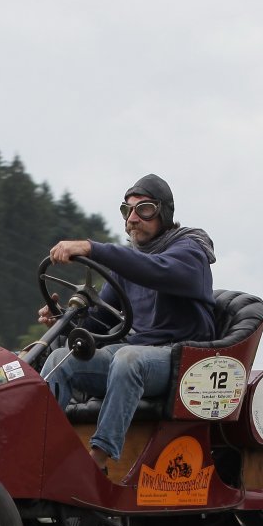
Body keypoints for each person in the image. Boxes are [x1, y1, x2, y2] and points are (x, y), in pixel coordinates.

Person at [37, 174, 217, 472]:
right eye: (127, 210)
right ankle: (39, 454)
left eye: (143, 209)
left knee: (128, 358)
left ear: (164, 213)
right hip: (136, 355)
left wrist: (93, 248)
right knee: (60, 359)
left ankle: (96, 464)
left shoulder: (190, 253)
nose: (133, 219)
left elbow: (155, 270)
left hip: (182, 361)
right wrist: (61, 320)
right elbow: (96, 324)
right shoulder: (130, 264)